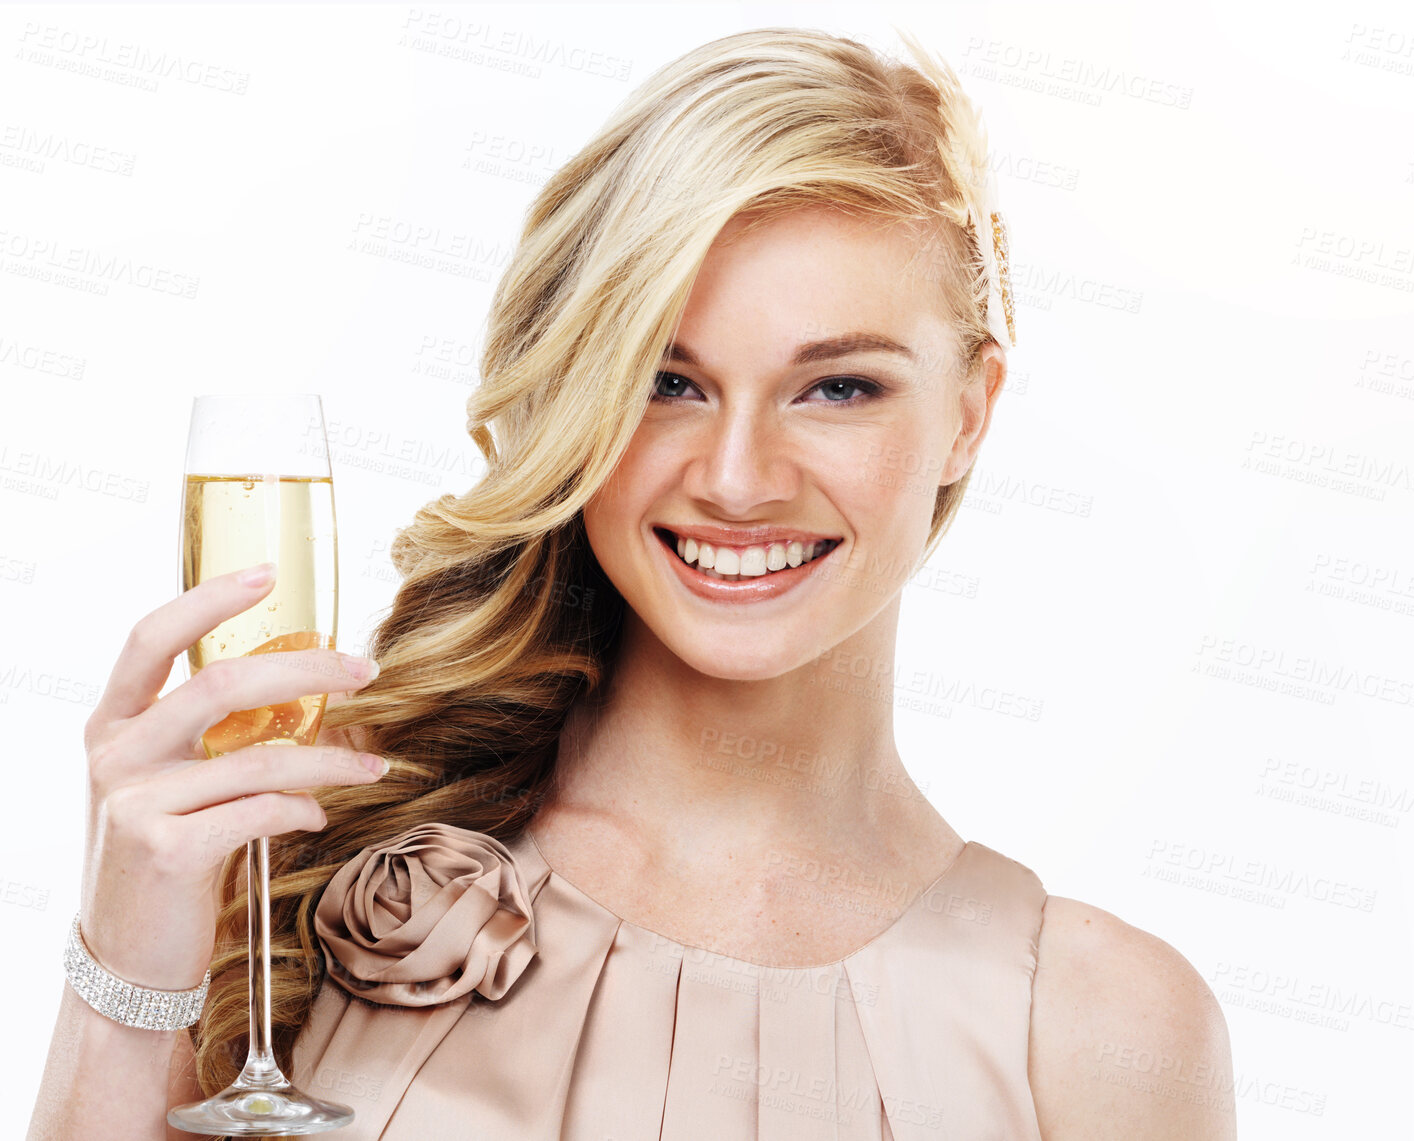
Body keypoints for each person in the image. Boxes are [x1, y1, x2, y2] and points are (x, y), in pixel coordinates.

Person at [30, 26, 1234, 1141]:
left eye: (838, 387)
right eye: (667, 380)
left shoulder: (1099, 1031)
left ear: (970, 414)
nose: (737, 477)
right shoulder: (309, 850)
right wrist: (122, 976)